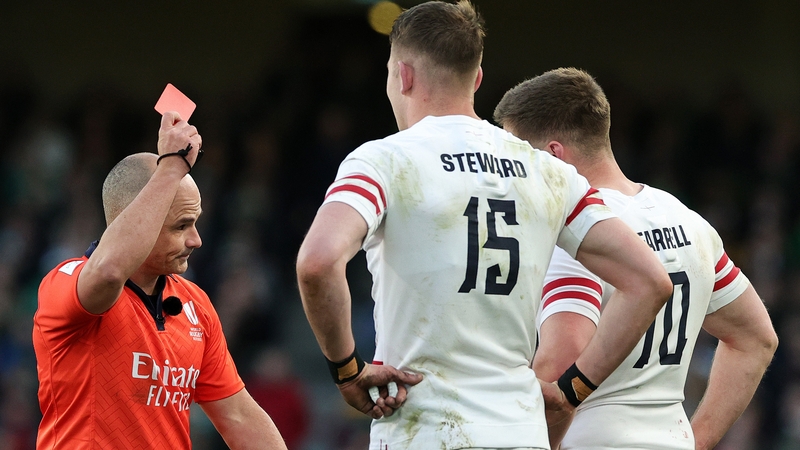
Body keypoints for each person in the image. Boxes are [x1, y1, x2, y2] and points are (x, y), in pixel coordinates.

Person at [296, 2, 674, 449]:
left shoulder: (385, 160)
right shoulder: (550, 173)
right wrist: (574, 389)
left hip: (424, 429)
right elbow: (650, 281)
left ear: (403, 75)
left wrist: (347, 370)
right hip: (519, 430)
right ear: (476, 80)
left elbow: (317, 263)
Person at [493, 67, 779, 450]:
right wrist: (697, 442)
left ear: (552, 156)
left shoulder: (576, 233)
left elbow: (559, 364)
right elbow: (756, 339)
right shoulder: (687, 220)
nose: (515, 176)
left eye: (520, 158)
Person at [32, 111, 287, 450]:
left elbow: (238, 415)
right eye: (181, 226)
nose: (196, 240)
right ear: (137, 220)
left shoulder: (196, 304)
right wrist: (170, 168)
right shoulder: (63, 285)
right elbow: (108, 270)